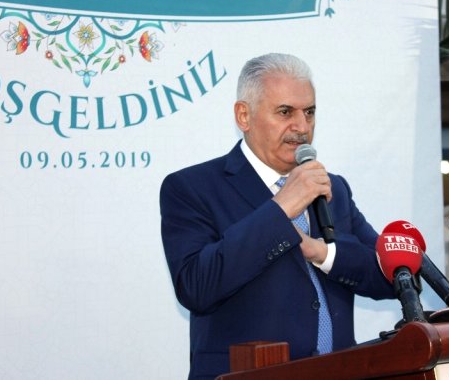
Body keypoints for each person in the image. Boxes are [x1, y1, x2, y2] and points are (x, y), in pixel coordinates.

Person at [160, 53, 396, 379]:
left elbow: (389, 276)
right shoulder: (192, 187)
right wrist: (281, 208)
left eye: (309, 112)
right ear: (244, 115)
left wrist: (324, 254)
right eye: (285, 112)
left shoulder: (332, 189)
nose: (302, 127)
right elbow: (196, 288)